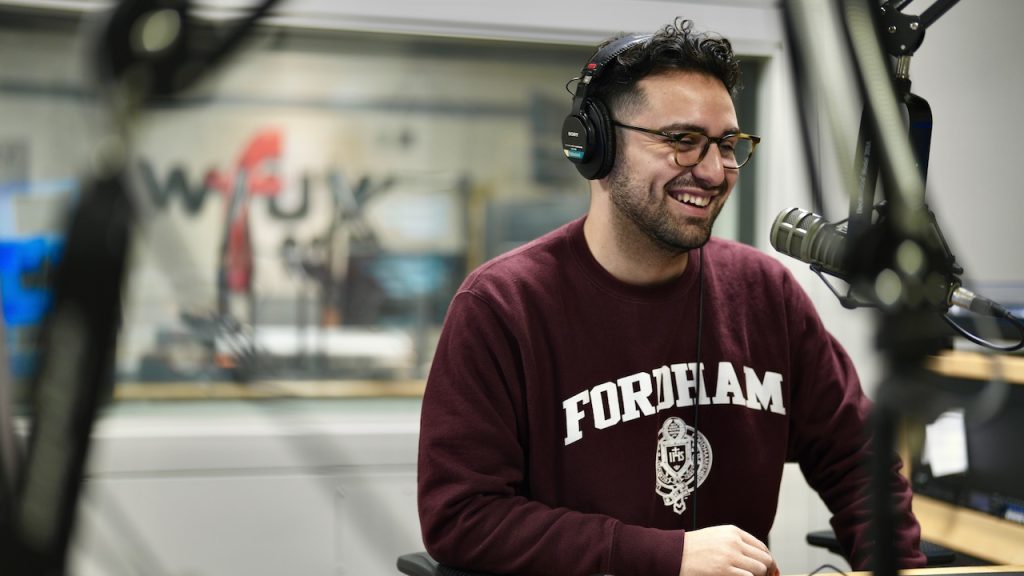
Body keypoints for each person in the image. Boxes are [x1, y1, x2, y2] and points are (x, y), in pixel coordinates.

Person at [417, 18, 926, 576]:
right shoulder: (502, 307)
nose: (712, 171)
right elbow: (461, 516)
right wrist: (663, 556)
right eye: (682, 141)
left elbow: (858, 461)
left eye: (728, 145)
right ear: (596, 145)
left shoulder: (765, 293)